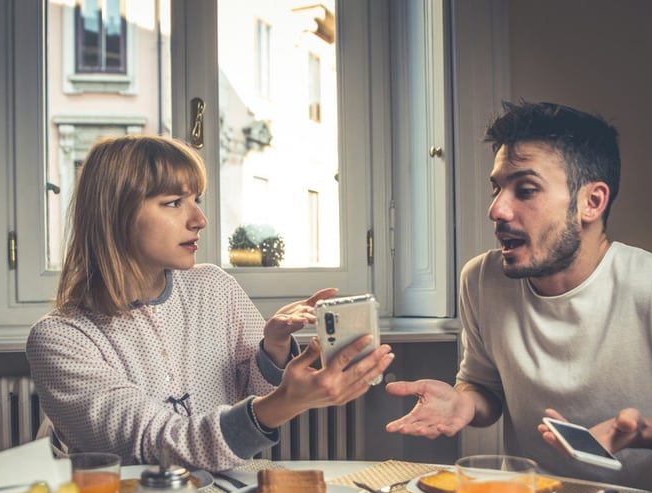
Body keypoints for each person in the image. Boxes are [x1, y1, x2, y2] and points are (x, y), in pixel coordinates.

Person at [385, 101, 652, 493]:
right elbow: (483, 386)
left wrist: (648, 432)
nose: (496, 209)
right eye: (497, 188)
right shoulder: (482, 279)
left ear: (592, 202)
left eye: (525, 190)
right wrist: (464, 402)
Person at [27, 134, 393, 470]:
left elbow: (258, 396)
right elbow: (155, 445)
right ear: (114, 215)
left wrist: (274, 349)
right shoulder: (61, 339)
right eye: (173, 202)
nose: (199, 220)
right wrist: (287, 402)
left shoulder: (215, 286)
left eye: (196, 200)